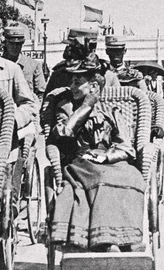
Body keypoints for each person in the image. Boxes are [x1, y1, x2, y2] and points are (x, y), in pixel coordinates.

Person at [48, 53, 146, 252]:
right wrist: (86, 106)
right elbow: (64, 133)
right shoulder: (65, 107)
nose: (72, 87)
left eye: (78, 82)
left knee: (132, 176)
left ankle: (126, 237)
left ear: (93, 86)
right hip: (80, 161)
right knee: (102, 176)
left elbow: (127, 146)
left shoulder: (111, 110)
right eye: (71, 82)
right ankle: (104, 240)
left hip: (108, 159)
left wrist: (107, 156)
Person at [45, 28, 120, 95]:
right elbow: (47, 104)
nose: (69, 51)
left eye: (74, 47)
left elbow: (118, 105)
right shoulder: (59, 74)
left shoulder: (108, 75)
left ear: (91, 49)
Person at [2, 24, 47, 103]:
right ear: (5, 43)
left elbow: (41, 94)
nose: (15, 47)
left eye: (18, 44)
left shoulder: (33, 65)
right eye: (12, 44)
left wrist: (34, 110)